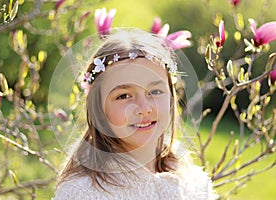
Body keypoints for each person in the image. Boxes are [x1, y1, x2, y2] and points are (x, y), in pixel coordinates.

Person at [53, 29, 218, 200]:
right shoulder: (83, 193)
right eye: (123, 96)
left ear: (171, 96)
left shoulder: (192, 180)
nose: (144, 108)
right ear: (98, 109)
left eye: (155, 91)